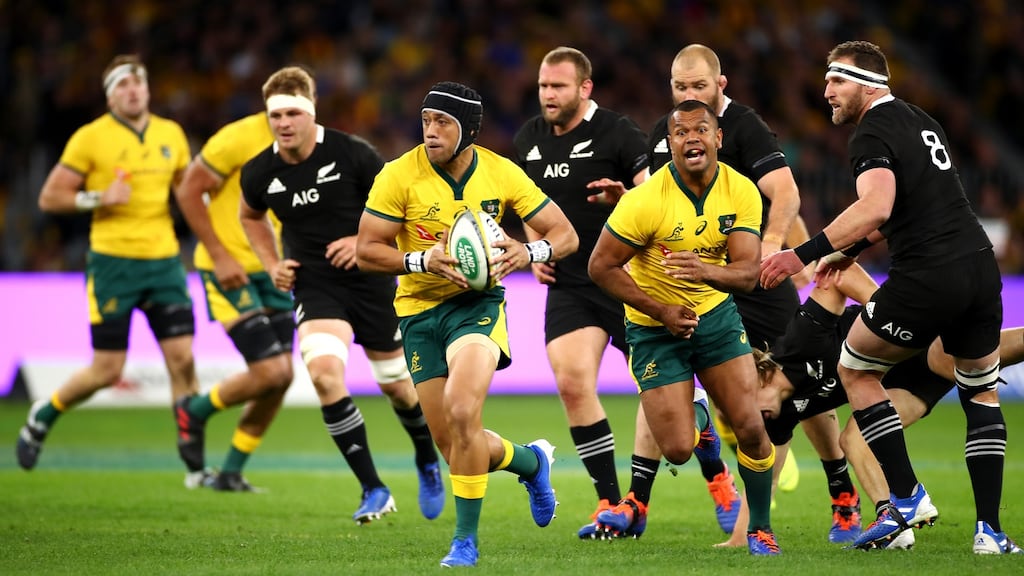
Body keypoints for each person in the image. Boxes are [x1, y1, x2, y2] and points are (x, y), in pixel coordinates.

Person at [761, 40, 1015, 554]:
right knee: (979, 390)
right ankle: (990, 532)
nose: (825, 91)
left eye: (836, 80)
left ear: (868, 83)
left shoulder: (871, 130)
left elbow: (877, 206)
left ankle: (906, 496)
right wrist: (851, 251)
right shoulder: (921, 121)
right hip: (979, 268)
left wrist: (801, 254)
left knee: (855, 367)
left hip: (929, 273)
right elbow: (914, 205)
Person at [596, 43, 849, 542]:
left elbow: (788, 193)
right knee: (670, 420)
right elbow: (659, 207)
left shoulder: (747, 128)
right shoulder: (662, 134)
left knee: (794, 384)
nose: (690, 96)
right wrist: (629, 206)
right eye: (680, 88)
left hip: (748, 274)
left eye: (698, 87)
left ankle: (839, 495)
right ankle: (664, 467)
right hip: (675, 284)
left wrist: (772, 250)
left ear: (721, 88)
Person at [357, 81, 578, 567]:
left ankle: (465, 542)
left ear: (470, 130)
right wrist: (420, 260)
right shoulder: (398, 175)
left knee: (462, 411)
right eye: (426, 121)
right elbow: (366, 250)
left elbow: (566, 234)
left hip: (477, 306)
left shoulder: (501, 173)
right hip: (417, 312)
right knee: (453, 443)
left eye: (443, 123)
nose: (431, 132)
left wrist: (528, 250)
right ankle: (531, 461)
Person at [512, 46, 727, 539]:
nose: (548, 95)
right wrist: (534, 247)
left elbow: (659, 200)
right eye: (543, 86)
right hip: (569, 284)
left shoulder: (619, 133)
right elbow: (523, 203)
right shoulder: (528, 140)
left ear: (584, 89)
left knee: (659, 398)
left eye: (558, 86)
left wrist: (625, 199)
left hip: (628, 282)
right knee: (571, 383)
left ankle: (716, 473)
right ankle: (611, 503)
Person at [237, 66, 444, 523]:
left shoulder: (353, 154)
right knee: (326, 377)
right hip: (316, 285)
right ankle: (373, 487)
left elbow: (400, 209)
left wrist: (361, 241)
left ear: (311, 113)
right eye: (276, 115)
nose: (284, 123)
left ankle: (427, 458)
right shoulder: (259, 172)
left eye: (293, 113)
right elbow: (250, 216)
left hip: (372, 283)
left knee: (399, 390)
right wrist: (271, 263)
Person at [589, 99, 780, 555]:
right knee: (676, 449)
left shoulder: (741, 191)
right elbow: (601, 267)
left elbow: (748, 273)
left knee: (752, 428)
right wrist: (660, 311)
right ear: (669, 143)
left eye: (701, 129)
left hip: (715, 317)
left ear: (718, 138)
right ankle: (700, 426)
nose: (691, 137)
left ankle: (760, 529)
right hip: (654, 328)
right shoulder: (644, 201)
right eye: (680, 132)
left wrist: (704, 273)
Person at [751, 261, 1023, 552]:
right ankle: (893, 520)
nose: (745, 413)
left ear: (759, 375)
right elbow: (764, 474)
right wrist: (746, 531)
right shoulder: (776, 414)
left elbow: (842, 274)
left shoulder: (798, 340)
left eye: (744, 400)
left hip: (908, 343)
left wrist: (891, 320)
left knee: (948, 356)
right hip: (900, 385)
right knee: (854, 439)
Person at [17, 55, 199, 480]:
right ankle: (45, 411)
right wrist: (97, 198)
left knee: (183, 360)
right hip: (114, 263)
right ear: (110, 96)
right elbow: (49, 198)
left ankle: (194, 463)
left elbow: (187, 192)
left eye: (138, 83)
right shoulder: (90, 138)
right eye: (122, 86)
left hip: (164, 262)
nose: (132, 91)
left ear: (148, 89)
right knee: (108, 370)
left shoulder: (171, 133)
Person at [172, 111, 295, 491]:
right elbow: (188, 189)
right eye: (282, 109)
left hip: (270, 266)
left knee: (282, 378)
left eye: (298, 109)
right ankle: (195, 410)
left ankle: (230, 472)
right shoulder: (236, 137)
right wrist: (218, 254)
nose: (288, 118)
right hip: (227, 267)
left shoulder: (305, 144)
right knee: (272, 371)